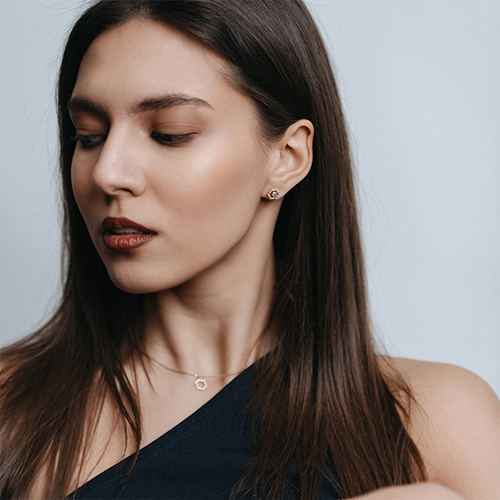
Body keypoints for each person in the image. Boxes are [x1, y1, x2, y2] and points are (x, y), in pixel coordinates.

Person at [0, 0, 499, 498]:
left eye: (169, 134)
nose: (107, 173)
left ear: (287, 157)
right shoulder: (11, 405)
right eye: (88, 136)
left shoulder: (444, 421)